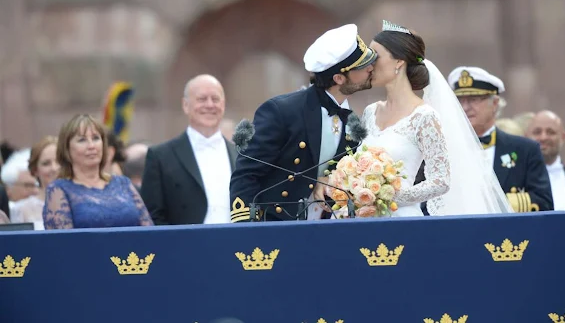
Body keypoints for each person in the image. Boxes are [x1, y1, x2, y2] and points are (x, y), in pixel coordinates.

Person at [359, 20, 512, 217]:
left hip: (401, 219)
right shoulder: (370, 112)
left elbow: (440, 181)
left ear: (399, 61)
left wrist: (388, 196)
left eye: (376, 56)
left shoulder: (424, 116)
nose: (369, 64)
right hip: (363, 217)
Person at [229, 24, 376, 222]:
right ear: (339, 78)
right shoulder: (281, 111)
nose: (370, 68)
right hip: (277, 229)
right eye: (361, 66)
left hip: (327, 230)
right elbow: (247, 174)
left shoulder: (352, 120)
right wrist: (246, 228)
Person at [447, 66, 553, 212]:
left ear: (495, 104)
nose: (465, 107)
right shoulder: (445, 150)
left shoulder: (525, 150)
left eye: (474, 99)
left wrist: (496, 202)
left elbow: (544, 203)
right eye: (460, 100)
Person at [140, 75, 237, 225]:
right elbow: (153, 216)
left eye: (215, 99)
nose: (210, 105)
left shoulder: (243, 155)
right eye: (202, 99)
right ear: (186, 105)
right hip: (183, 246)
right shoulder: (160, 157)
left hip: (237, 245)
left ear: (223, 105)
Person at [43, 114, 153, 229]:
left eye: (95, 138)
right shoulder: (59, 189)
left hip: (132, 247)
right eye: (82, 140)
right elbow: (61, 243)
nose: (91, 146)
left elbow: (150, 232)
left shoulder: (123, 184)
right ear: (66, 149)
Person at [525, 110, 565, 210]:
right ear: (526, 136)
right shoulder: (517, 178)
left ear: (563, 137)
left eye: (551, 132)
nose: (543, 137)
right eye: (537, 132)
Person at [10, 136, 59, 230]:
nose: (54, 168)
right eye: (46, 163)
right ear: (35, 169)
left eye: (59, 162)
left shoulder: (78, 203)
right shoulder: (20, 209)